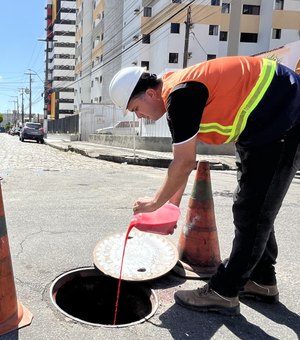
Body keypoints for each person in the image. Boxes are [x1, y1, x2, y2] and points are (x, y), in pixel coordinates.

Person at [109, 56, 300, 315]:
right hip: (260, 128)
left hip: (283, 116)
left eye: (135, 108)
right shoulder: (176, 94)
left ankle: (224, 292)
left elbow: (184, 163)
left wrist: (155, 204)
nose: (140, 116)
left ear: (151, 93)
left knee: (252, 212)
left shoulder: (181, 95)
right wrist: (171, 208)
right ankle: (261, 279)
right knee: (254, 205)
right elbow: (184, 162)